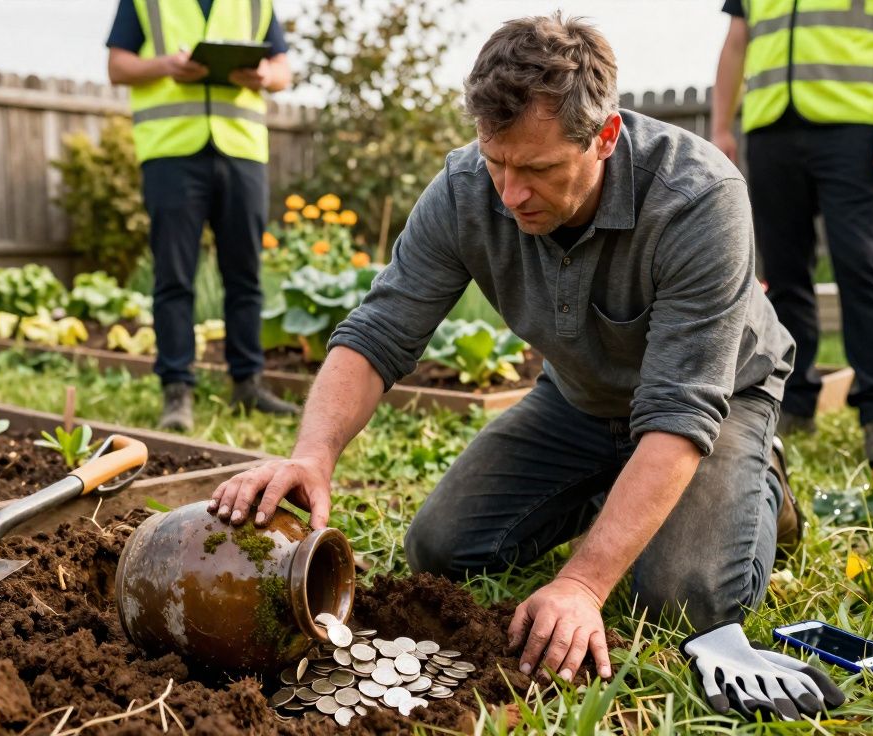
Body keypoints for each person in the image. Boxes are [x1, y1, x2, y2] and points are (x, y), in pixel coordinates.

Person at [207, 14, 833, 715]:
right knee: (442, 546)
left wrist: (584, 584)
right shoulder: (466, 189)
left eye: (536, 169)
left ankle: (760, 485)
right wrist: (313, 455)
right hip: (581, 400)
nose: (510, 194)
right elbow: (381, 330)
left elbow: (683, 409)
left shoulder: (698, 200)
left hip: (716, 401)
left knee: (679, 601)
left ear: (605, 137)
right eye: (496, 162)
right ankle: (622, 489)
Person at [710, 0, 873, 464]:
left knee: (860, 264)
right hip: (770, 129)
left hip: (852, 126)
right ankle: (794, 402)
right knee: (783, 274)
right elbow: (736, 43)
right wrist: (721, 127)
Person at [107, 0, 300, 431]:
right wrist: (167, 66)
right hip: (172, 153)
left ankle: (248, 385)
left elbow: (283, 70)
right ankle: (177, 392)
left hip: (242, 152)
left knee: (245, 275)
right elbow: (118, 66)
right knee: (174, 277)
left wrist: (264, 75)